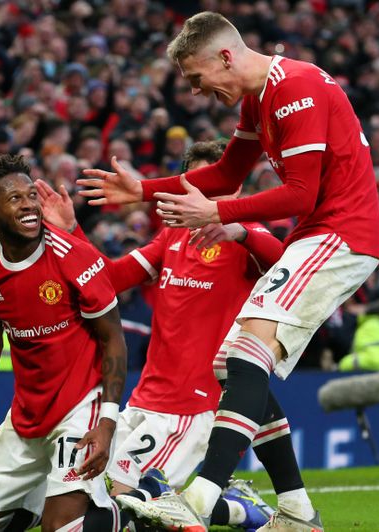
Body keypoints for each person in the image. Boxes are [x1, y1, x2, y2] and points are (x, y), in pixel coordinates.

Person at [78, 12, 379, 531]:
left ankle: (199, 495)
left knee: (243, 356)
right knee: (232, 364)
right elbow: (225, 173)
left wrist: (218, 213)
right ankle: (297, 511)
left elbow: (299, 195)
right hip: (317, 233)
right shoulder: (256, 98)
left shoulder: (296, 88)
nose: (196, 92)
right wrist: (144, 190)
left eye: (197, 78)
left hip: (342, 233)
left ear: (225, 56)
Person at [38, 140, 280, 531]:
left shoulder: (246, 236)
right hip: (145, 398)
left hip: (192, 408)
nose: (207, 194)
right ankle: (233, 506)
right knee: (96, 495)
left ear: (236, 189)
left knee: (126, 507)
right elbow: (111, 279)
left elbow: (286, 261)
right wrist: (72, 231)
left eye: (217, 185)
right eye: (198, 184)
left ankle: (232, 507)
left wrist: (239, 232)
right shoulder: (172, 237)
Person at [0, 154, 128, 532]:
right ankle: (46, 497)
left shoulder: (74, 257)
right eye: (15, 199)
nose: (29, 206)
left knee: (61, 529)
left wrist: (107, 421)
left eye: (31, 196)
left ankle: (133, 515)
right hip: (27, 412)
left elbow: (114, 340)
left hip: (81, 406)